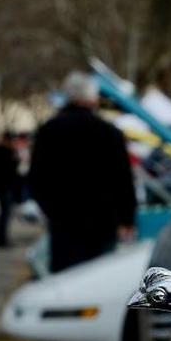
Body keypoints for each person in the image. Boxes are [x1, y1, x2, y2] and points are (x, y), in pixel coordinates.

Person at [29, 72, 137, 273]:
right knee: (98, 281)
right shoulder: (109, 132)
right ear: (92, 98)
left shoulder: (49, 131)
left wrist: (51, 210)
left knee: (66, 281)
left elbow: (36, 179)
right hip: (103, 222)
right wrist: (127, 218)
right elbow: (123, 180)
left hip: (65, 222)